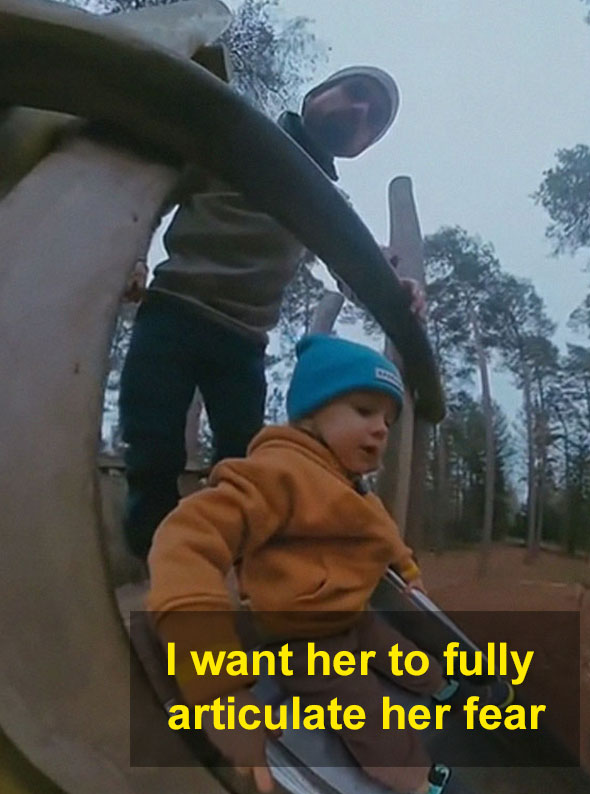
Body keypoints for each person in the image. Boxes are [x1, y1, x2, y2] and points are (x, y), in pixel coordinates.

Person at [119, 65, 424, 560]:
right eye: (356, 93)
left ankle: (223, 569)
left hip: (242, 344)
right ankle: (152, 562)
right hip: (173, 311)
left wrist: (395, 288)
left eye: (374, 119)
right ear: (316, 94)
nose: (361, 112)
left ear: (363, 147)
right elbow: (153, 196)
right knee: (152, 448)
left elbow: (355, 265)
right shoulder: (231, 136)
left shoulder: (325, 202)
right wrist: (130, 257)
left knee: (242, 463)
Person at [147, 334, 455, 794]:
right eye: (364, 411)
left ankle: (446, 689)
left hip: (351, 616)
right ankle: (416, 781)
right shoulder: (276, 474)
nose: (381, 430)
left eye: (388, 421)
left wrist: (408, 574)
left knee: (403, 656)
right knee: (366, 711)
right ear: (312, 413)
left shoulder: (352, 488)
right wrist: (217, 689)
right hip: (301, 638)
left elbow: (385, 535)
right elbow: (186, 542)